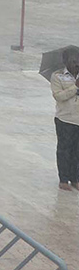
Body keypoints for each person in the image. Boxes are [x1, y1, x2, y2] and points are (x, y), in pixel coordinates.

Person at [52, 49, 79, 190]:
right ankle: (63, 180)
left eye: (78, 61)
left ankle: (75, 179)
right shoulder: (57, 77)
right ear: (65, 62)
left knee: (77, 152)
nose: (76, 64)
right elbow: (59, 96)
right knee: (64, 150)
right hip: (65, 119)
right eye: (73, 61)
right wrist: (75, 87)